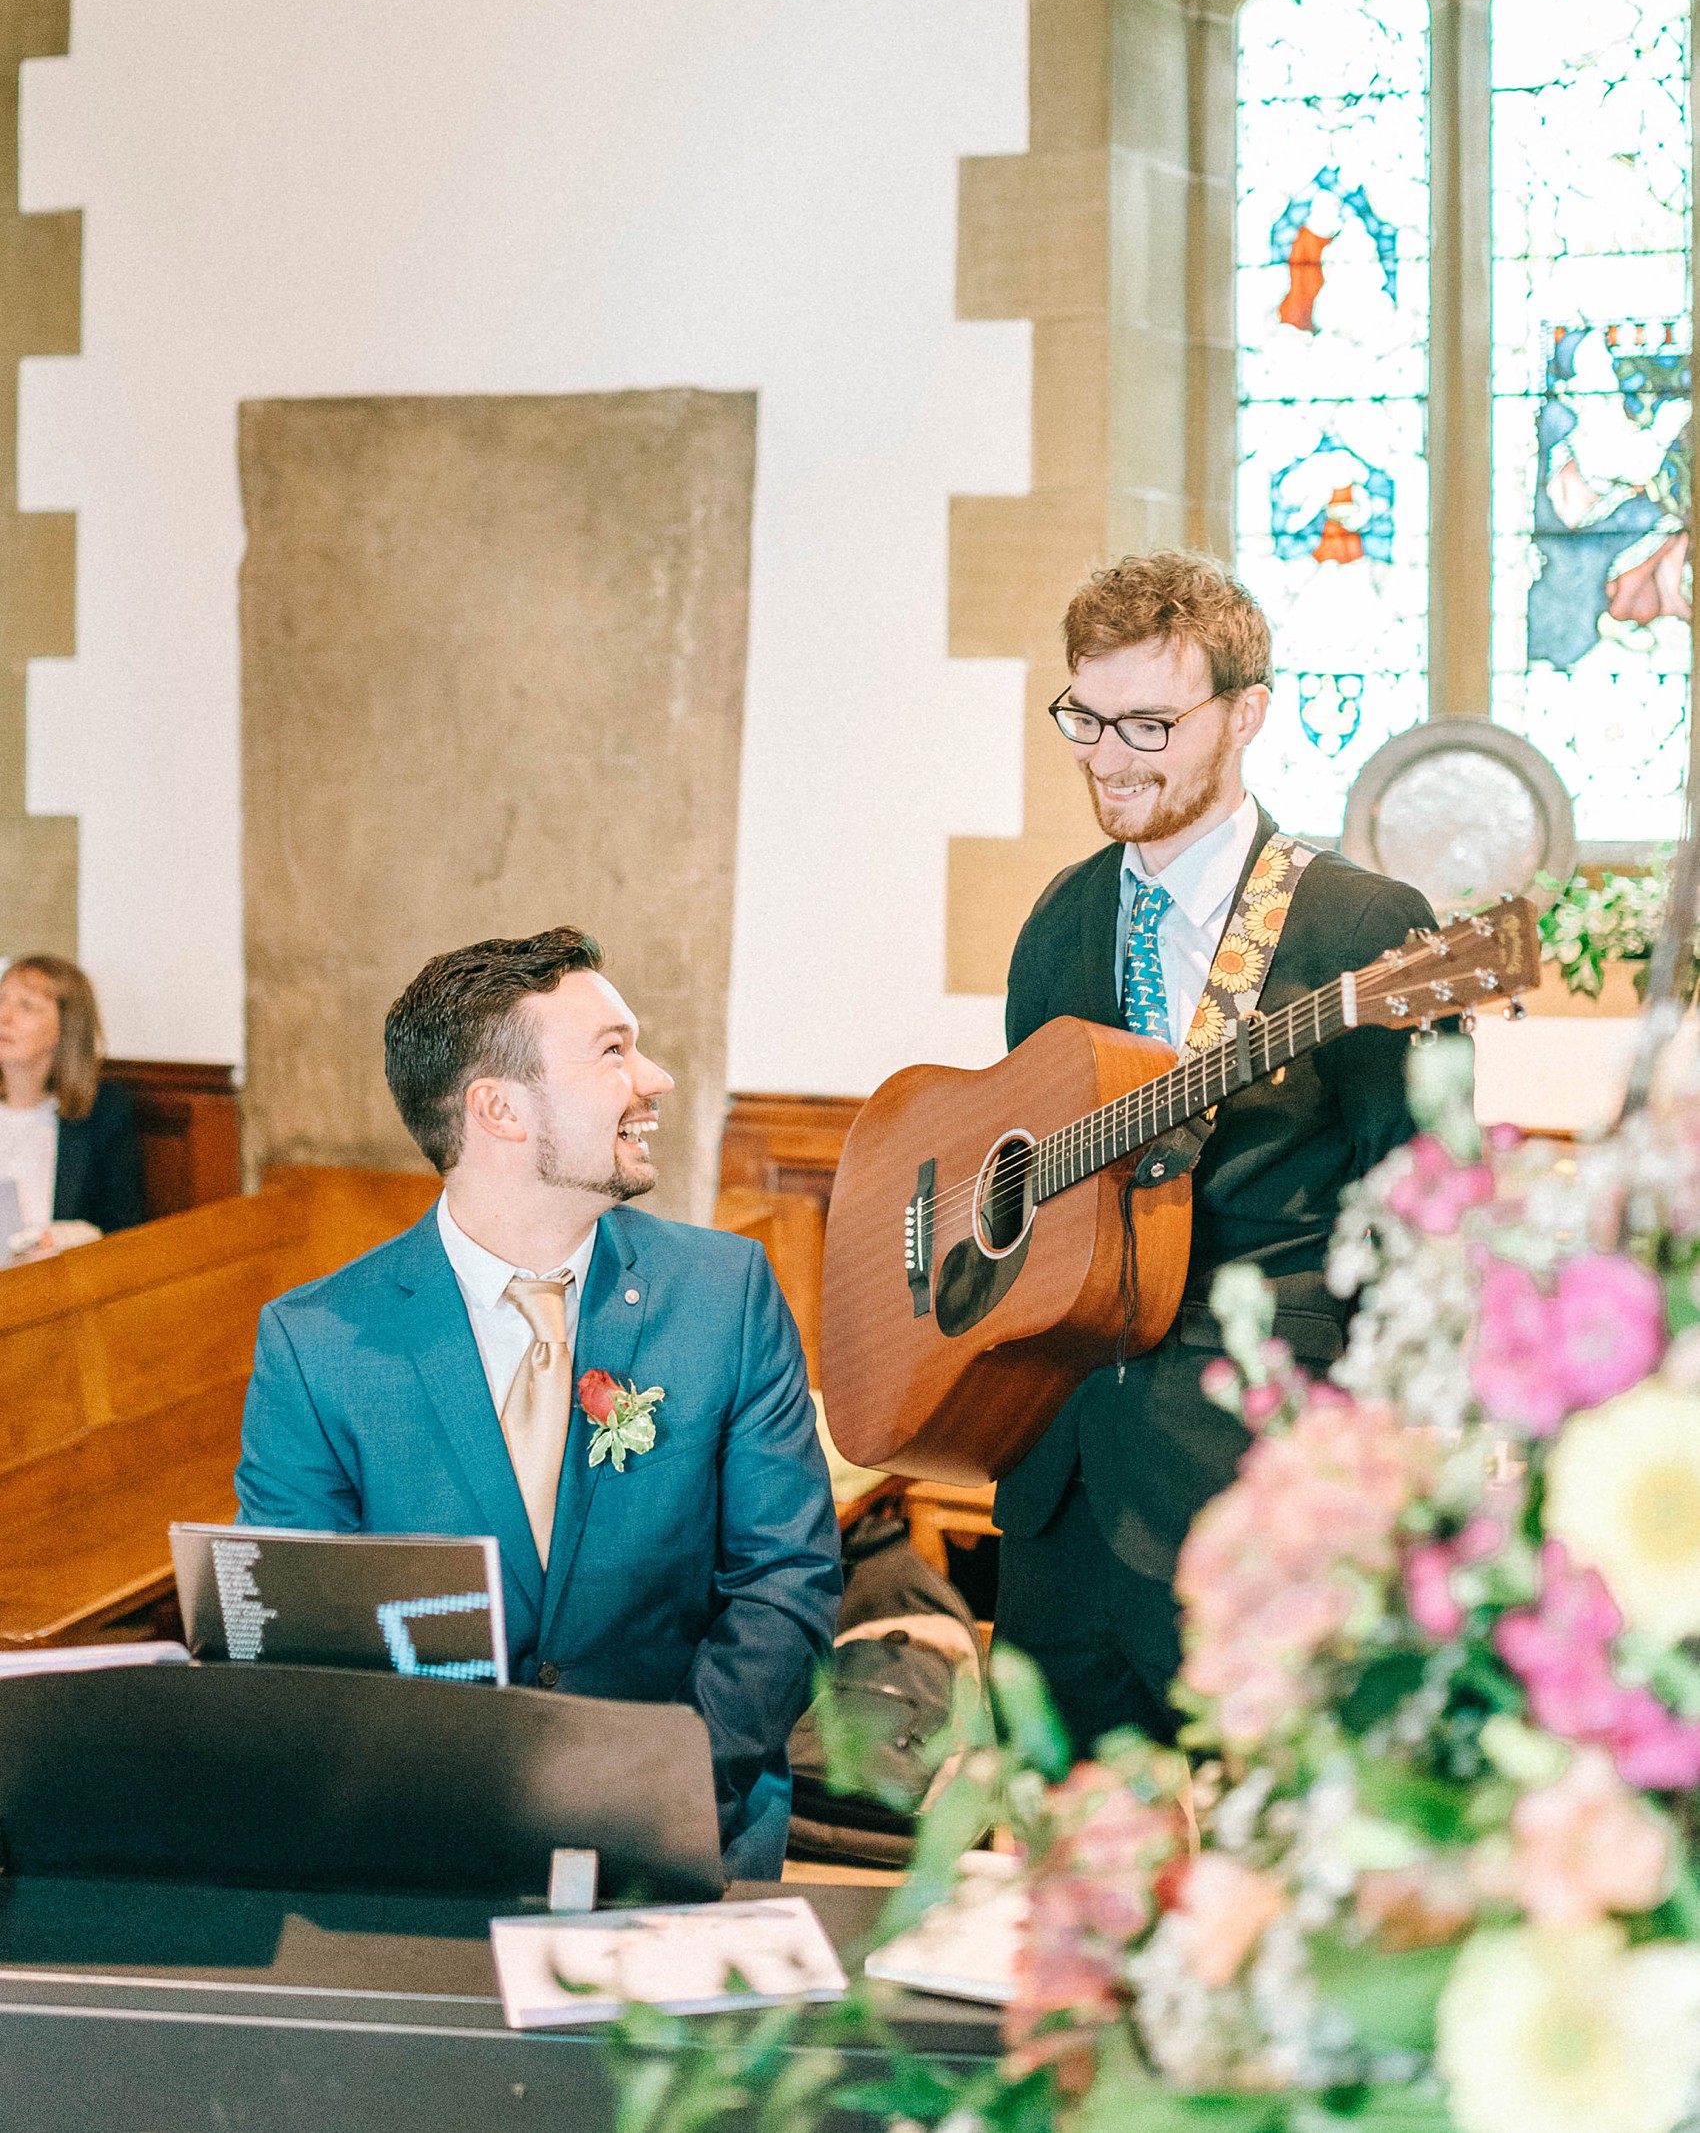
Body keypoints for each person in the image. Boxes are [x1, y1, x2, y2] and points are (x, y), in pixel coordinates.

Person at [235, 925, 841, 1879]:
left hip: (688, 1820)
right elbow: (298, 1648)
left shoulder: (725, 1293)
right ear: (500, 1110)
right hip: (420, 1844)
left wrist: (662, 1788)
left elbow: (787, 1581)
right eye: (614, 1051)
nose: (657, 1078)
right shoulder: (318, 1344)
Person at [991, 552, 1440, 1756]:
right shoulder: (1057, 917)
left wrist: (1375, 1488)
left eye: (1147, 724)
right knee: (1065, 1872)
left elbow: (1423, 1227)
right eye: (1083, 717)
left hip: (1254, 1489)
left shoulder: (1361, 928)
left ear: (1245, 713)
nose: (1105, 757)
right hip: (1058, 1485)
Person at [0, 954, 147, 1252]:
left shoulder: (104, 1114)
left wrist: (67, 1237)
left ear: (65, 1029)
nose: (4, 1016)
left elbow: (123, 1231)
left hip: (59, 1287)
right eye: (1, 999)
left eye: (26, 1006)